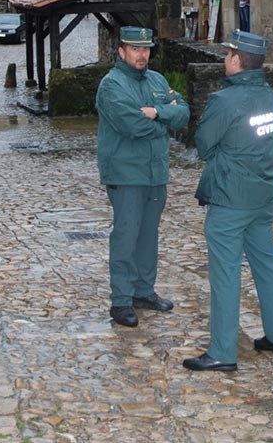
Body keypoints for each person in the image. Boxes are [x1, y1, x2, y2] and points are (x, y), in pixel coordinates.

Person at [183, 30, 273, 372]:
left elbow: (202, 144)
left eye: (229, 54)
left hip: (230, 198)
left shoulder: (223, 101)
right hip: (262, 193)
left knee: (226, 273)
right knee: (267, 265)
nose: (225, 58)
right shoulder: (269, 96)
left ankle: (223, 352)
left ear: (236, 60)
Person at [95, 26, 190, 327]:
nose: (142, 54)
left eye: (146, 48)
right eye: (135, 49)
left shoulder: (157, 80)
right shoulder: (111, 86)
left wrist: (155, 112)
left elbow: (185, 113)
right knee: (126, 236)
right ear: (121, 51)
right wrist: (165, 117)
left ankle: (143, 291)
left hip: (155, 172)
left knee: (148, 236)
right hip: (126, 173)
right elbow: (132, 126)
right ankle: (121, 301)